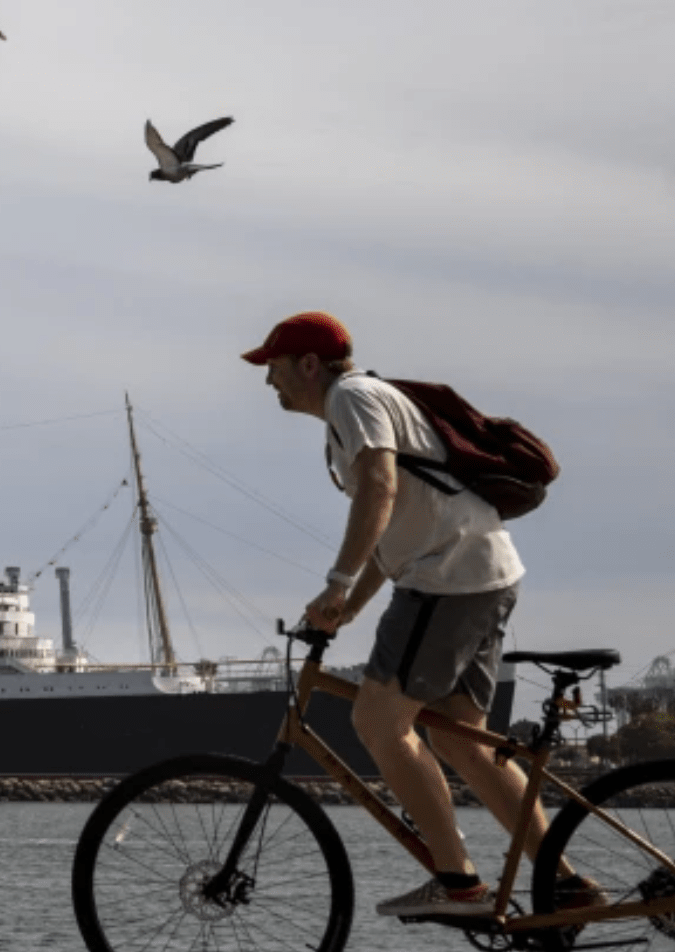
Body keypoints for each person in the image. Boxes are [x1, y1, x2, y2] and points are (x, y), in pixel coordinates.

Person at [243, 311, 599, 919]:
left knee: (380, 723)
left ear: (309, 365)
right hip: (479, 572)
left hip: (447, 580)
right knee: (460, 741)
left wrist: (336, 583)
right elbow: (397, 522)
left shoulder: (351, 398)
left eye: (273, 366)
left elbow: (380, 490)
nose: (267, 380)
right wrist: (348, 608)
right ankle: (565, 887)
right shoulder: (363, 403)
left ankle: (460, 885)